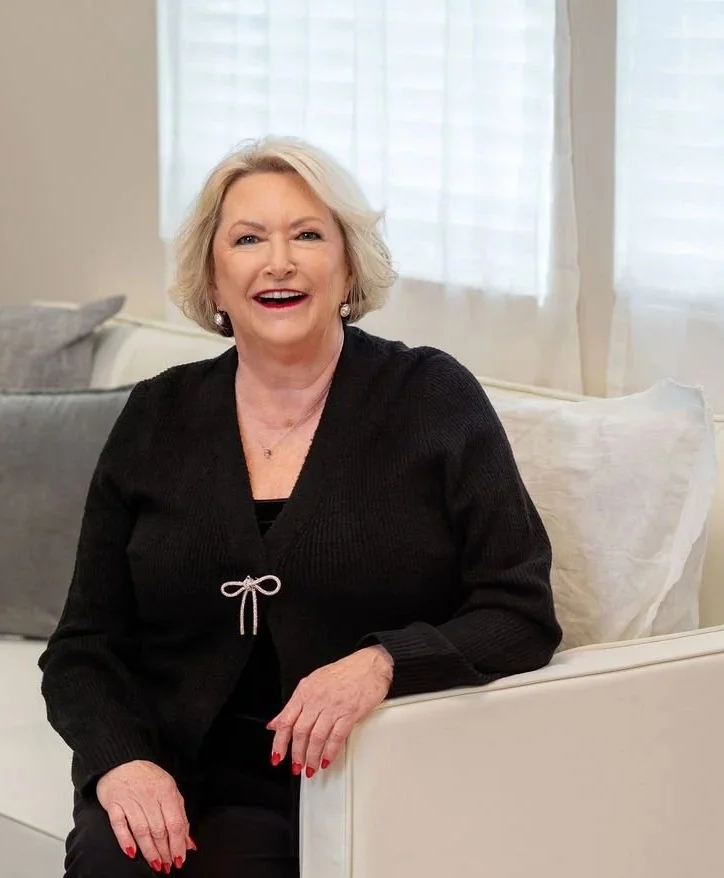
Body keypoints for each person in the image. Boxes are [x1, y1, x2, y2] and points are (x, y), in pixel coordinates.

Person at [38, 136, 562, 877]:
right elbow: (83, 646)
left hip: (353, 777)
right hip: (169, 768)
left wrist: (383, 661)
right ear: (213, 282)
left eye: (307, 235)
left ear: (347, 268)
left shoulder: (431, 401)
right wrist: (121, 764)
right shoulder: (158, 415)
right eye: (248, 239)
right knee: (109, 862)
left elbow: (521, 611)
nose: (278, 261)